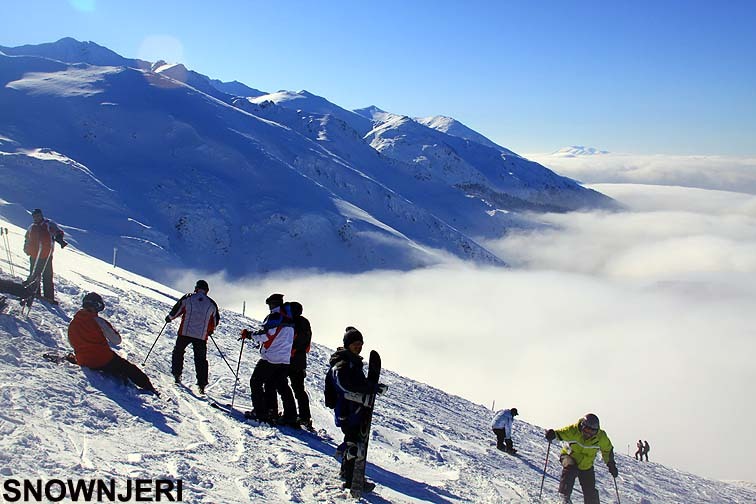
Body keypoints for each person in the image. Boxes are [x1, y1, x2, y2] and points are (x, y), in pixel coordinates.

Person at [329, 326, 386, 492]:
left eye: (360, 343)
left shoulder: (353, 362)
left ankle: (348, 474)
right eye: (355, 343)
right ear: (347, 344)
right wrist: (370, 390)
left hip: (355, 408)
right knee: (353, 443)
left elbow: (357, 384)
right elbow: (345, 385)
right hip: (347, 410)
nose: (358, 346)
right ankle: (349, 473)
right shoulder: (343, 363)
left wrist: (371, 388)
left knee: (354, 441)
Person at [68, 292, 157, 394]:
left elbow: (72, 343)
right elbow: (116, 340)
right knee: (129, 368)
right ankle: (150, 388)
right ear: (96, 306)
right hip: (104, 359)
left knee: (114, 365)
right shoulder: (98, 321)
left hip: (83, 360)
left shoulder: (73, 323)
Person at [240, 293, 297, 426]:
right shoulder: (289, 319)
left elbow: (265, 335)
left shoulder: (274, 317)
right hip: (285, 359)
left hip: (271, 357)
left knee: (256, 381)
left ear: (272, 304)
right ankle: (272, 411)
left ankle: (260, 412)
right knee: (272, 383)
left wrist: (249, 335)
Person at [545, 413, 618, 504]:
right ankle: (564, 497)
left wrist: (611, 464)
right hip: (569, 456)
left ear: (596, 431)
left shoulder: (601, 437)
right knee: (571, 468)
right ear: (582, 426)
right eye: (586, 430)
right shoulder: (573, 430)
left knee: (590, 490)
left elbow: (607, 450)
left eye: (592, 432)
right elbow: (559, 434)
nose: (588, 434)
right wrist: (552, 435)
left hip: (586, 465)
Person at [165, 280, 220, 394]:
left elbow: (177, 309)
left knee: (178, 352)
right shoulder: (211, 304)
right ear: (207, 290)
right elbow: (215, 321)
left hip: (185, 332)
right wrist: (209, 331)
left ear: (196, 288)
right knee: (200, 360)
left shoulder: (188, 298)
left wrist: (170, 318)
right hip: (200, 336)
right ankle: (201, 384)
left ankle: (177, 374)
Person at [24, 208, 66, 304]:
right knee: (34, 274)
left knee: (47, 275)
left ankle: (49, 296)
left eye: (38, 216)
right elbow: (27, 239)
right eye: (34, 216)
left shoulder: (48, 224)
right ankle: (35, 292)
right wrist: (26, 249)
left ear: (41, 215)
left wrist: (59, 237)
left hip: (46, 255)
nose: (36, 218)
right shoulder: (32, 227)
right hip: (34, 255)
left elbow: (57, 231)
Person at [288, 301, 312, 429]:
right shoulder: (304, 322)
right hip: (300, 359)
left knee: (280, 384)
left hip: (291, 358)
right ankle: (304, 417)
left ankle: (294, 414)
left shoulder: (294, 322)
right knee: (298, 389)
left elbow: (295, 340)